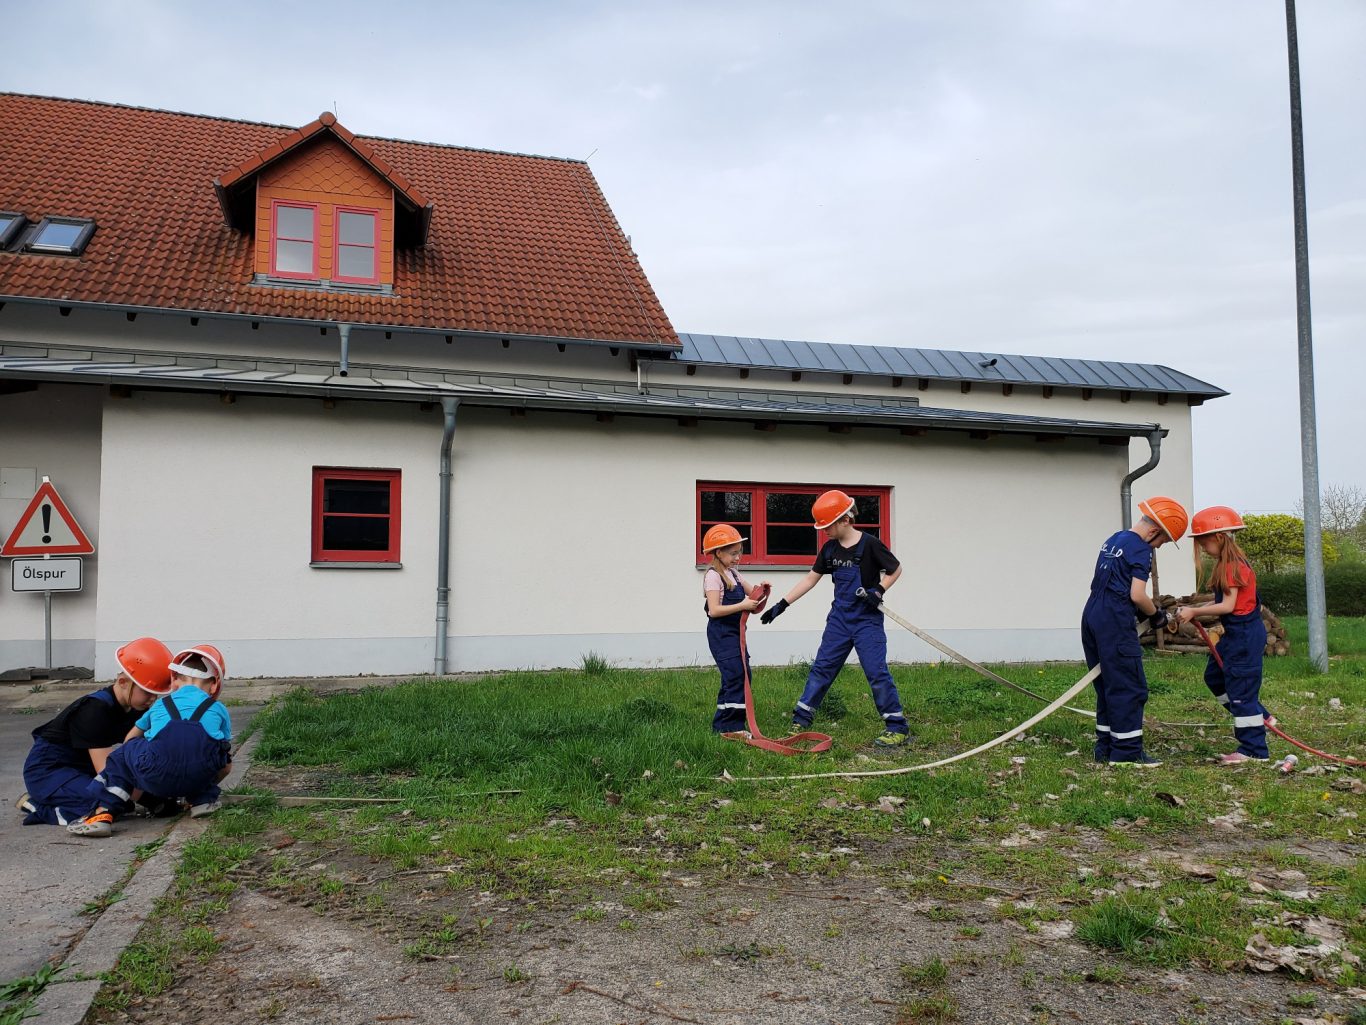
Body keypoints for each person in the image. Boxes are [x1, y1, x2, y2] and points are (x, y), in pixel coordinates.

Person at [759, 490, 909, 747]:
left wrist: (878, 590)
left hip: (867, 621)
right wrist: (781, 605)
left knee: (876, 672)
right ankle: (801, 718)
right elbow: (811, 579)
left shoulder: (871, 544)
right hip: (839, 620)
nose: (824, 531)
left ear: (845, 520)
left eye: (827, 526)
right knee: (822, 668)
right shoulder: (829, 549)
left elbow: (895, 570)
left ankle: (896, 726)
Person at [67, 645, 232, 838]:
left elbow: (130, 739)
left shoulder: (161, 704)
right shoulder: (219, 708)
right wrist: (199, 783)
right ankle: (202, 800)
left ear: (174, 681)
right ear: (213, 686)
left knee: (122, 754)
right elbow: (225, 765)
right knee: (213, 751)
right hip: (197, 778)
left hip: (155, 777)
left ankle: (103, 813)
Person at [16, 637, 173, 827]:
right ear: (123, 682)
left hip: (80, 768)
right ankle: (37, 807)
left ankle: (67, 797)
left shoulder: (136, 708)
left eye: (156, 693)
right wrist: (151, 800)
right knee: (108, 804)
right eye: (147, 692)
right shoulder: (94, 711)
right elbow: (108, 772)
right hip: (48, 771)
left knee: (120, 799)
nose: (152, 699)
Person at [1081, 496, 1188, 767]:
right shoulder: (1141, 548)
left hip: (1092, 615)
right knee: (1129, 686)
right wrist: (1156, 615)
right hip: (1114, 620)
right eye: (1163, 541)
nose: (1159, 546)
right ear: (1154, 532)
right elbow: (1137, 594)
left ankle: (1105, 747)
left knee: (1107, 685)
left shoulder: (1114, 539)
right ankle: (1127, 752)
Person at [1174, 507, 1270, 765]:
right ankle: (1259, 715)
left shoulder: (1232, 566)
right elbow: (1230, 603)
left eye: (1204, 541)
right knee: (1214, 677)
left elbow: (1227, 606)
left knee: (1241, 691)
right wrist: (1194, 610)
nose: (1203, 548)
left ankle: (1254, 749)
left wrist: (1195, 611)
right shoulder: (1228, 564)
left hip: (1244, 636)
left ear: (1218, 537)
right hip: (1236, 633)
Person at [701, 524, 768, 737]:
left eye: (739, 552)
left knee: (739, 674)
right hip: (721, 634)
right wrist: (742, 605)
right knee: (736, 675)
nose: (737, 557)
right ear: (718, 552)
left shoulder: (734, 574)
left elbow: (754, 597)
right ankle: (732, 727)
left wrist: (763, 589)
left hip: (736, 633)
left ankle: (723, 725)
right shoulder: (713, 576)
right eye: (733, 553)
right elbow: (714, 610)